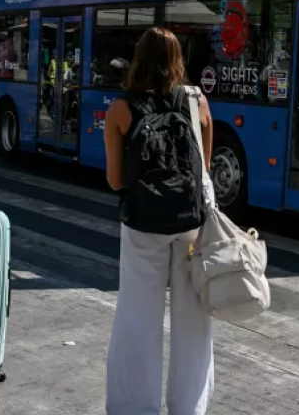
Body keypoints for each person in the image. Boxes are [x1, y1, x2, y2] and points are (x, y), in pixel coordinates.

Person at [103, 27, 214, 415]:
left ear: (138, 58)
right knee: (194, 319)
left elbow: (116, 181)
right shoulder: (197, 101)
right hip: (190, 224)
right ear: (178, 59)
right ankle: (189, 407)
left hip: (143, 225)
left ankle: (134, 407)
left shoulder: (122, 108)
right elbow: (203, 170)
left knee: (138, 316)